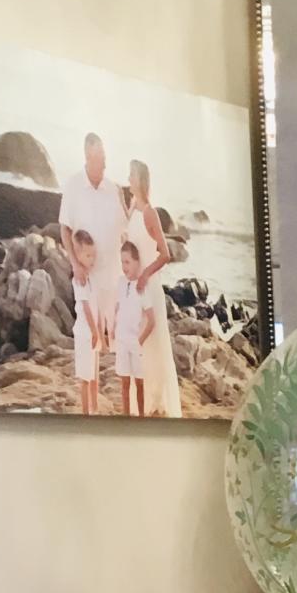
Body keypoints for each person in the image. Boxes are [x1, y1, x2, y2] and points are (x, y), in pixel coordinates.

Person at [124, 159, 182, 417]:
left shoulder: (150, 212)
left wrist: (145, 274)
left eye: (132, 175)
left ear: (140, 180)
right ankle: (143, 401)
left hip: (148, 285)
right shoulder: (133, 207)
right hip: (134, 285)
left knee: (154, 345)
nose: (128, 179)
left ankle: (158, 401)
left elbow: (165, 253)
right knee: (138, 343)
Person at [59, 133, 125, 352]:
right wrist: (75, 265)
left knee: (118, 341)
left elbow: (125, 231)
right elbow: (65, 228)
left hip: (114, 275)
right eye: (100, 158)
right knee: (89, 341)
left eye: (105, 157)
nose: (105, 164)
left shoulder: (113, 189)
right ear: (88, 156)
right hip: (88, 275)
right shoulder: (73, 186)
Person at [114, 239, 154, 417]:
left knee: (139, 383)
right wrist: (113, 328)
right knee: (124, 382)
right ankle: (126, 416)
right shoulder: (121, 282)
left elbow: (152, 321)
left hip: (135, 342)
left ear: (137, 262)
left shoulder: (142, 288)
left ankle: (141, 417)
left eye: (127, 262)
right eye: (122, 262)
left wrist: (140, 340)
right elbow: (118, 306)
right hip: (121, 340)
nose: (124, 266)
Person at [70, 229, 103, 415]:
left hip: (93, 331)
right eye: (88, 255)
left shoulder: (91, 278)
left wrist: (99, 330)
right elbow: (86, 308)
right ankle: (85, 412)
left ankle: (95, 407)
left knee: (95, 375)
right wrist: (95, 331)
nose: (92, 259)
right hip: (84, 332)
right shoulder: (79, 280)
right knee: (85, 377)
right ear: (78, 255)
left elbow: (97, 307)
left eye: (93, 255)